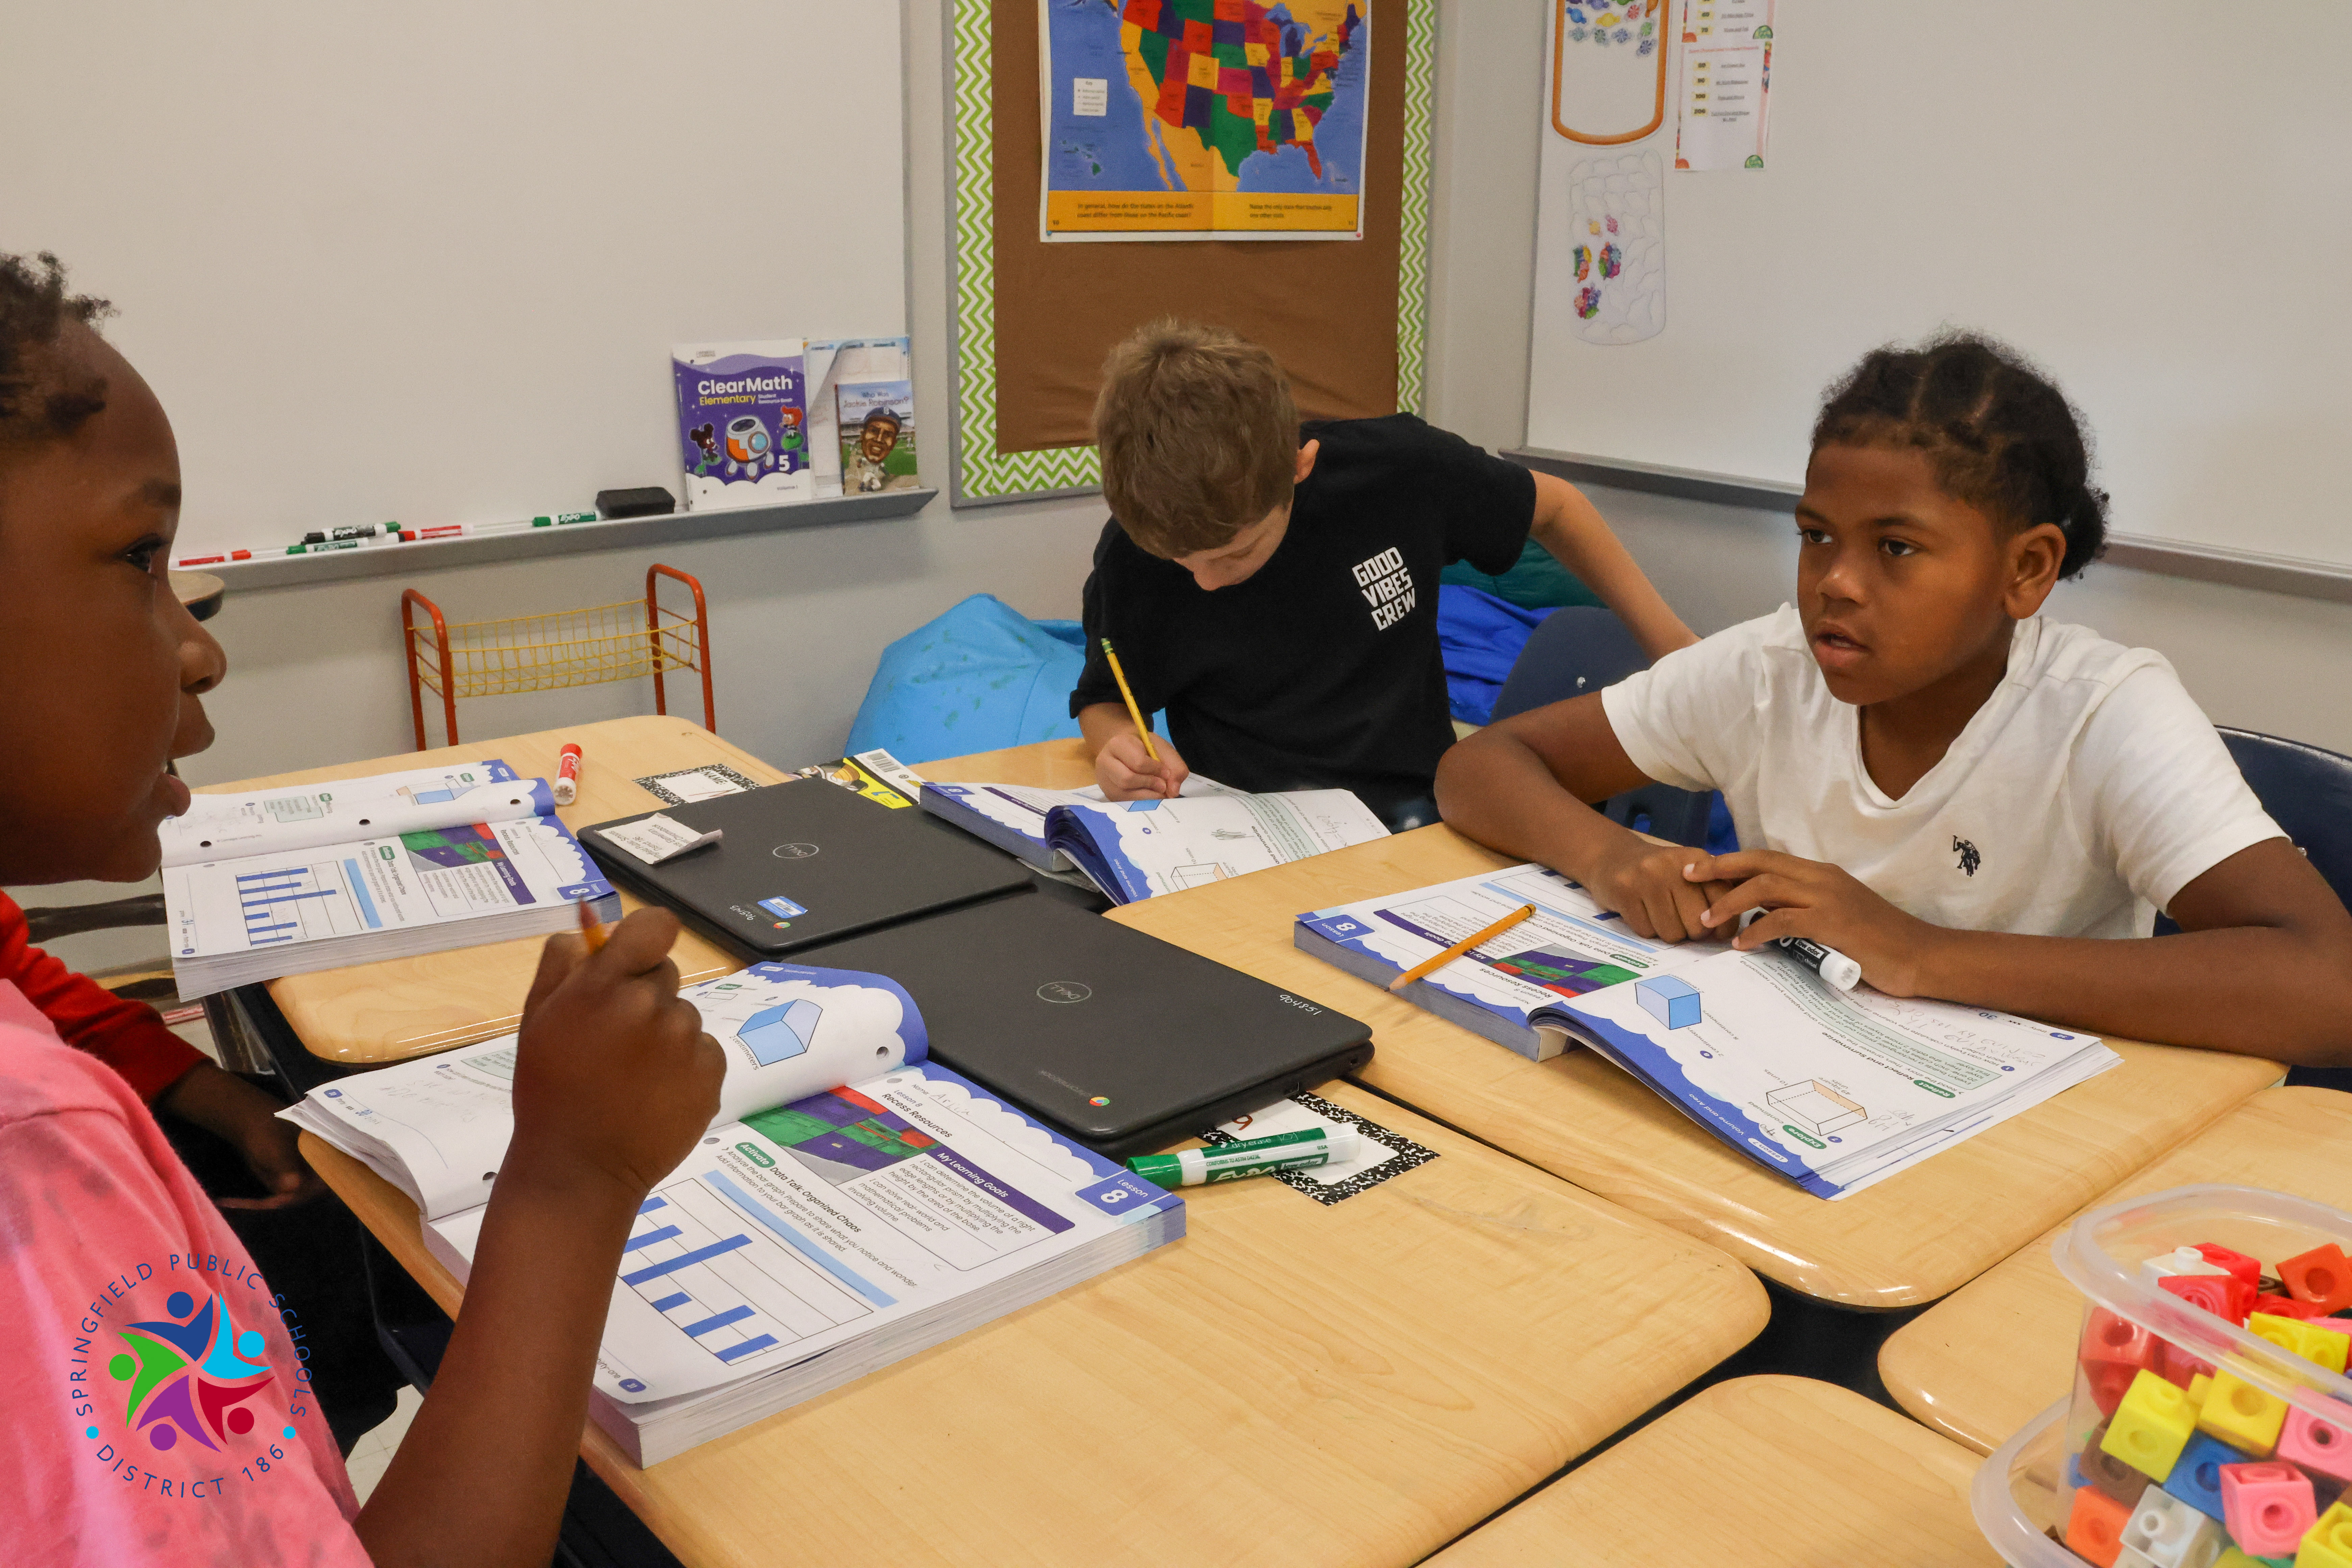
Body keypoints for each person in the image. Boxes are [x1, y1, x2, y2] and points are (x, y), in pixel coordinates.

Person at [0, 250, 725, 1565]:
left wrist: (203, 1089)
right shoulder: (29, 1150)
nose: (203, 644)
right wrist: (568, 1182)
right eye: (141, 556)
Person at [1434, 330, 2352, 1064]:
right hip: (1797, 1086)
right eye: (1816, 536)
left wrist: (1920, 953)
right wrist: (1609, 856)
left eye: (1896, 549)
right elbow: (1480, 767)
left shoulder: (2103, 715)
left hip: (2033, 1138)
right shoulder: (1769, 670)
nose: (1836, 582)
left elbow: (2331, 987)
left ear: (2027, 570)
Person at [1069, 319, 1694, 831]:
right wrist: (1120, 748)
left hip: (1411, 815)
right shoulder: (1133, 554)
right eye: (1180, 564)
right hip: (1239, 826)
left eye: (1233, 556)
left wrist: (1673, 646)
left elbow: (1558, 508)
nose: (1203, 583)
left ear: (1300, 467)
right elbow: (1105, 696)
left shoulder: (1397, 474)